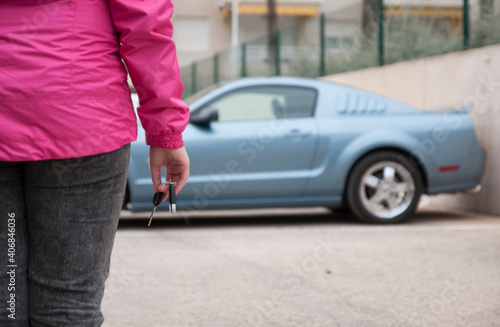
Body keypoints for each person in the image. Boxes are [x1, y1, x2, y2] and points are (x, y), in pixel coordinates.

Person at [0, 0, 190, 326]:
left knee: (7, 296)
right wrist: (165, 131)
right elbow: (145, 23)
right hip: (82, 119)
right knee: (69, 304)